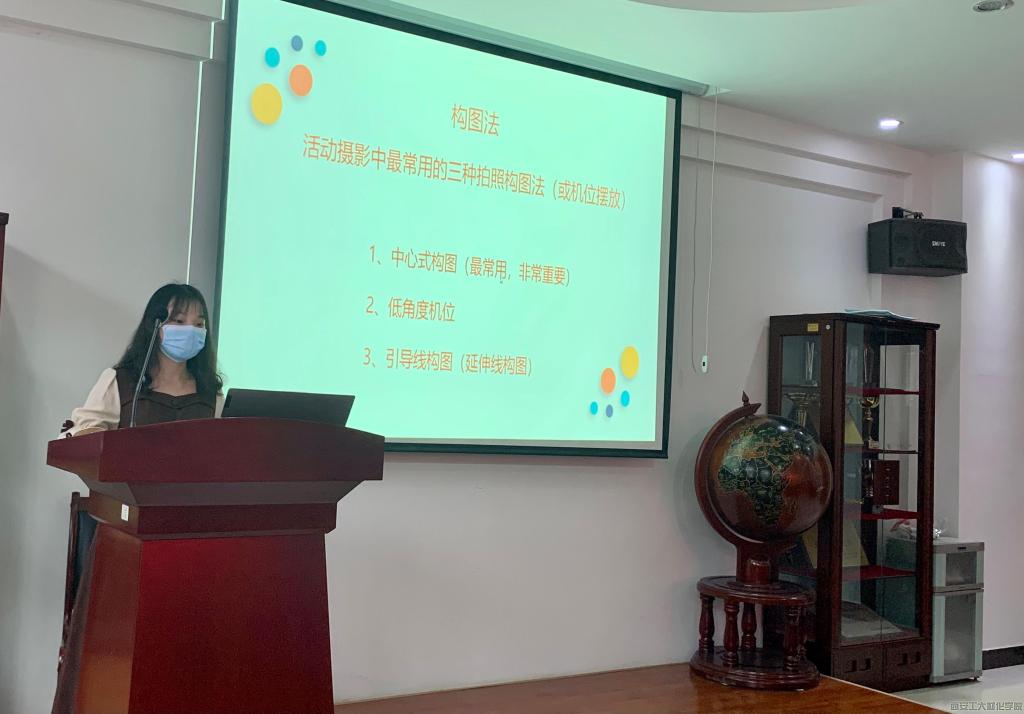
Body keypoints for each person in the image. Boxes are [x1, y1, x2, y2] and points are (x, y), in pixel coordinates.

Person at [65, 283, 224, 436]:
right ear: (154, 324)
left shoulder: (210, 390)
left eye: (199, 324)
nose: (191, 330)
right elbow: (83, 434)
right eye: (179, 321)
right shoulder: (120, 381)